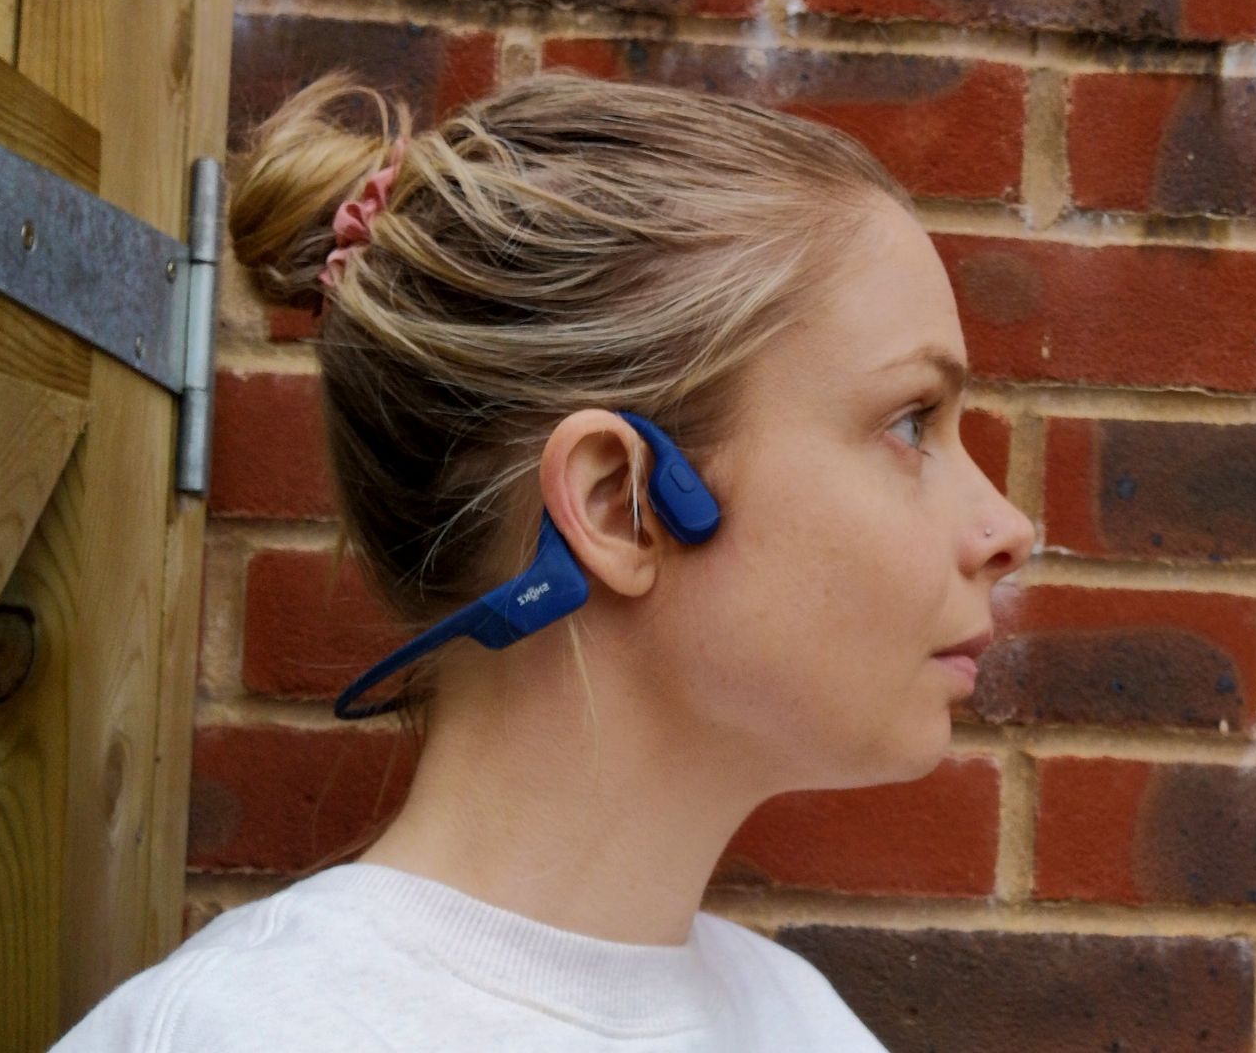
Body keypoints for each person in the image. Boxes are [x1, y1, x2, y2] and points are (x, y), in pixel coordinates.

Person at [50, 65, 1034, 1051]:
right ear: (620, 505)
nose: (1007, 528)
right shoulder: (234, 1035)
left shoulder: (802, 1024)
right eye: (912, 424)